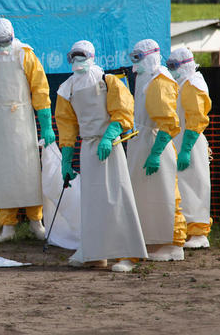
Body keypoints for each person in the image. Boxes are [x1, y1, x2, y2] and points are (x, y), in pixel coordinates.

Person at [55, 40, 147, 272]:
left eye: (81, 55)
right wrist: (66, 160)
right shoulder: (67, 89)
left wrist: (110, 136)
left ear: (92, 56)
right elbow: (67, 126)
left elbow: (123, 111)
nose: (77, 60)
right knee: (92, 203)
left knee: (117, 198)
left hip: (110, 146)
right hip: (88, 148)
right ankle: (95, 253)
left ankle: (127, 254)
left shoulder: (108, 81)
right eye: (73, 56)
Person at [0, 18, 55, 243]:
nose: (2, 47)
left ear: (12, 37)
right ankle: (7, 225)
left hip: (24, 120)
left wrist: (45, 125)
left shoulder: (25, 55)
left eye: (5, 42)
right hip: (0, 124)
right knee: (2, 174)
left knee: (29, 172)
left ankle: (36, 222)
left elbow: (40, 88)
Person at [127, 39, 187, 261]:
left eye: (139, 57)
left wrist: (155, 153)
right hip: (140, 141)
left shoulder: (160, 80)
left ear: (151, 56)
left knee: (166, 195)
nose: (136, 63)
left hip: (154, 143)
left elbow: (169, 122)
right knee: (146, 195)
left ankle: (174, 244)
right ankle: (152, 241)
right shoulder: (145, 77)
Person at [167, 48, 213, 249]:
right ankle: (185, 229)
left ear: (184, 64)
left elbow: (197, 118)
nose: (172, 70)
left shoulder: (194, 84)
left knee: (195, 186)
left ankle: (199, 233)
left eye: (174, 66)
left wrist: (186, 149)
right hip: (180, 141)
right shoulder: (182, 83)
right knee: (183, 186)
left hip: (191, 143)